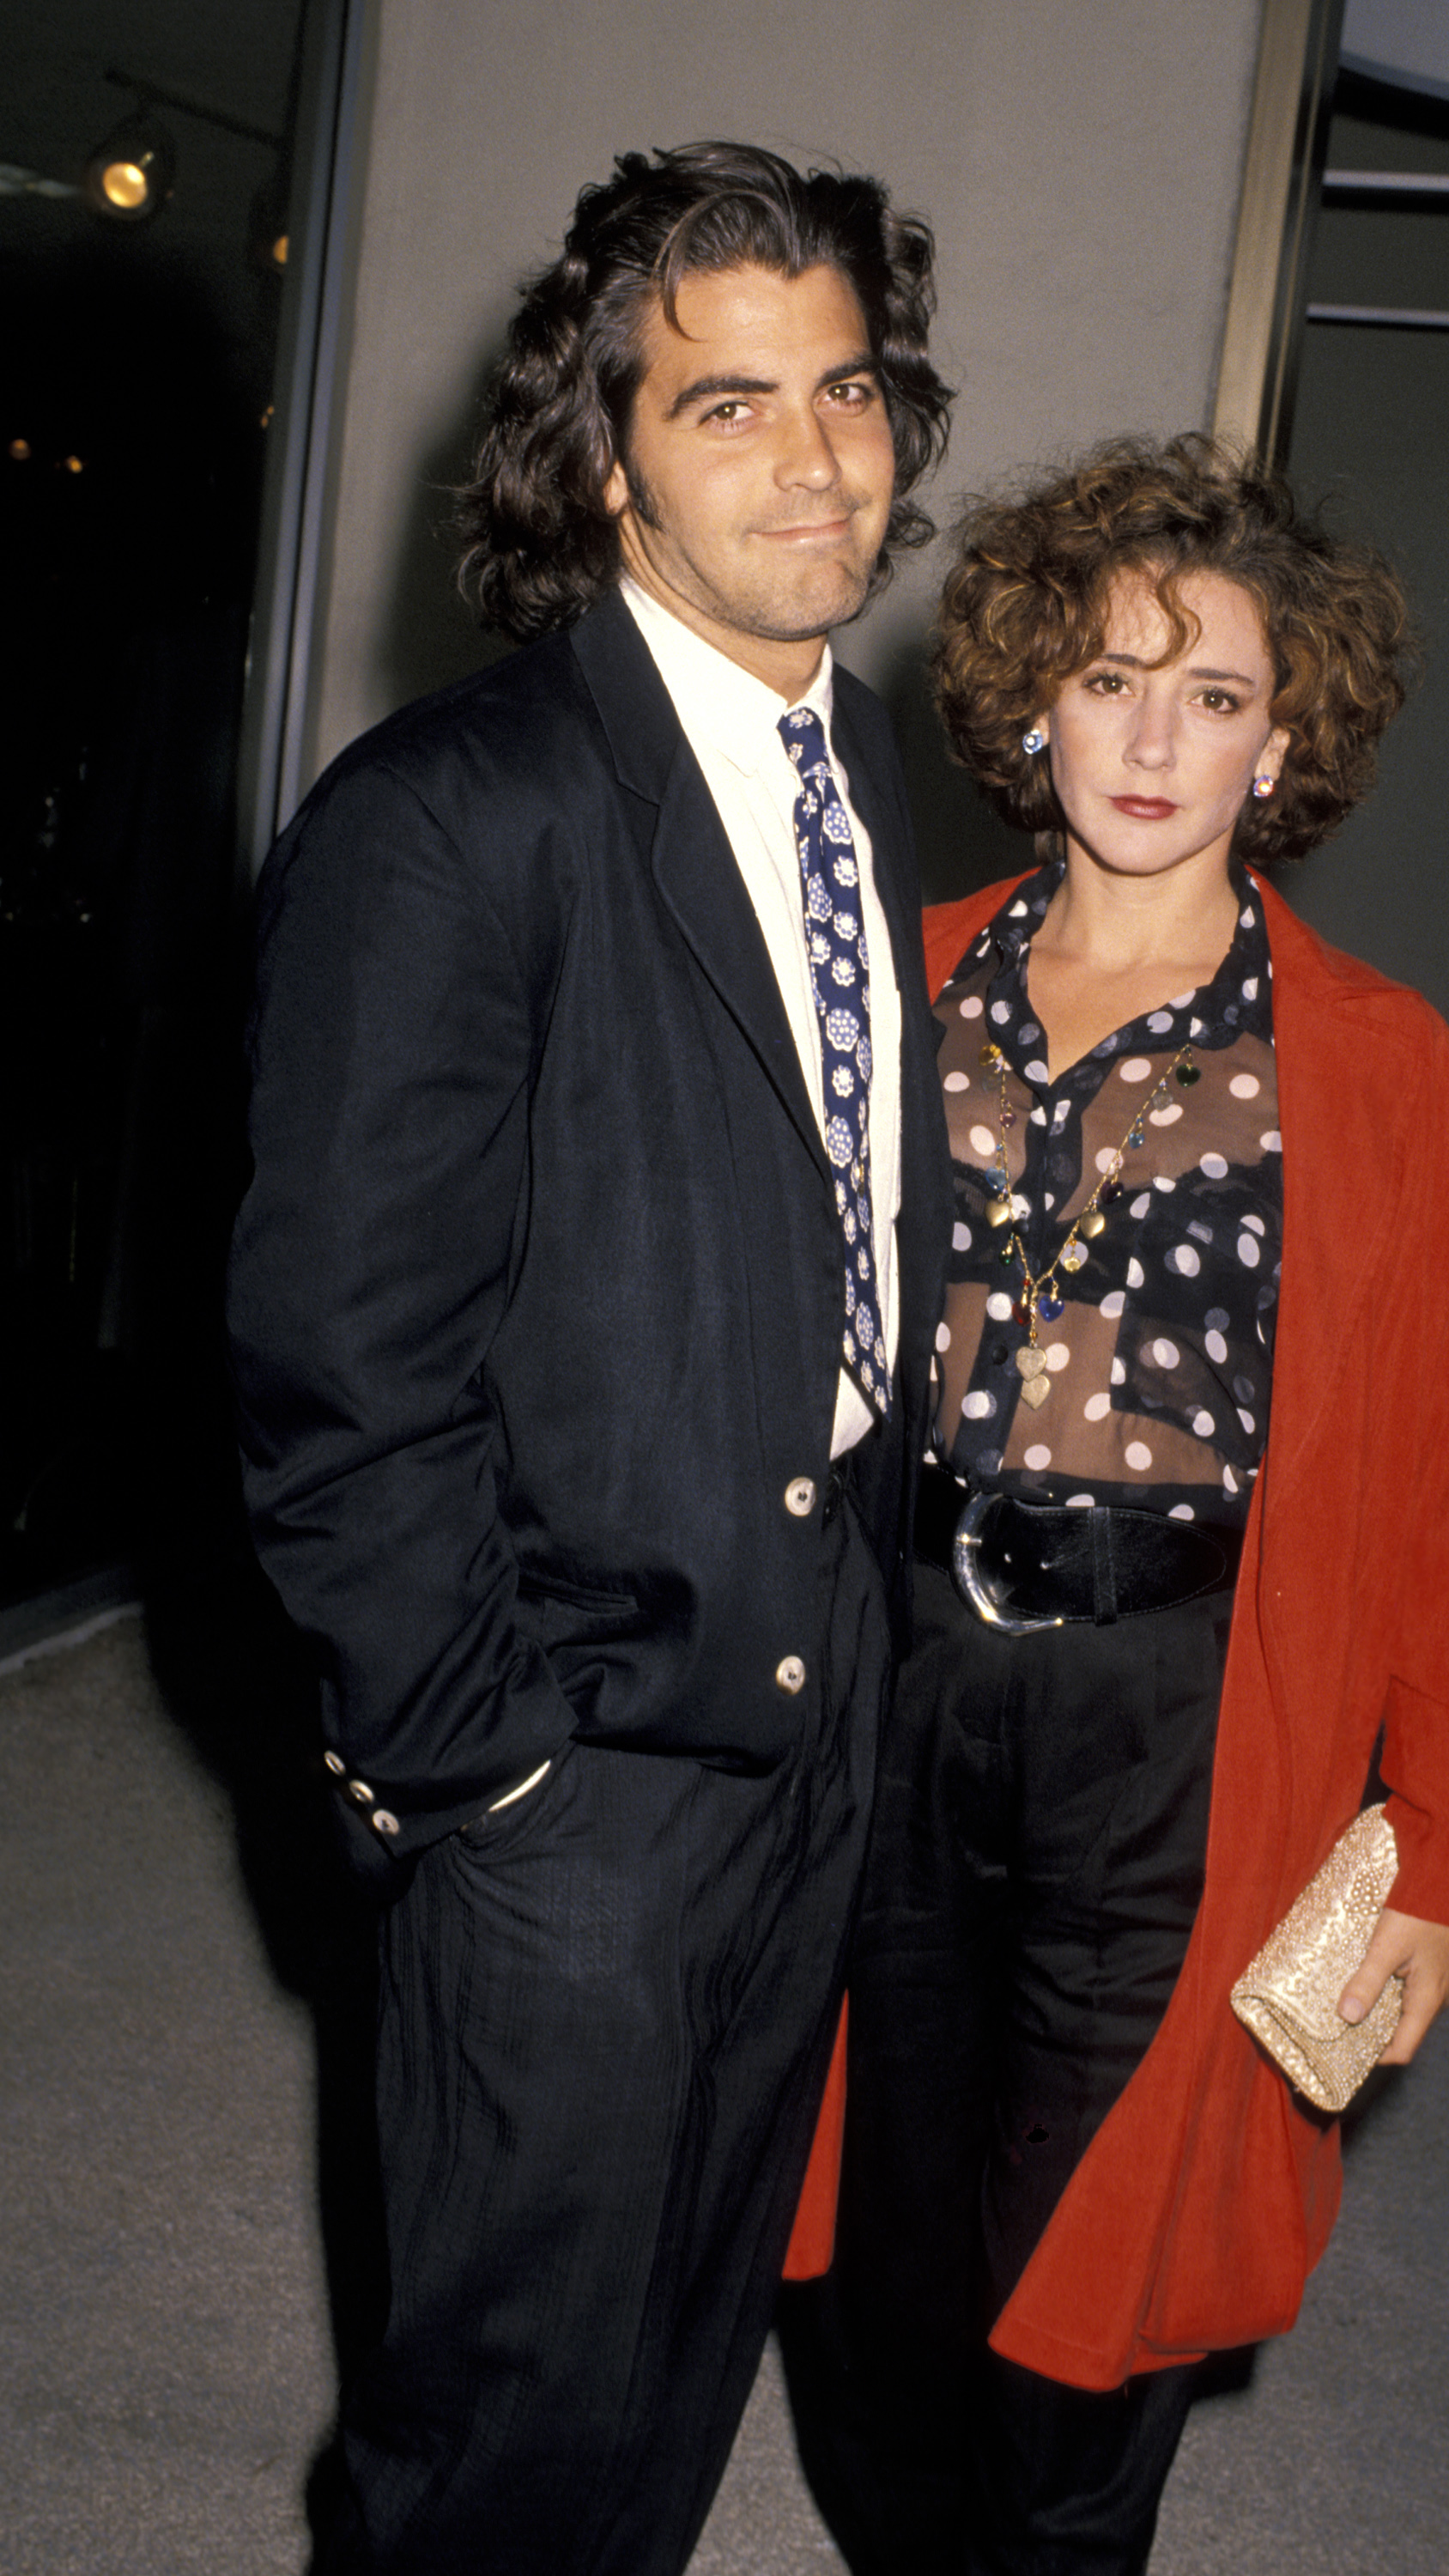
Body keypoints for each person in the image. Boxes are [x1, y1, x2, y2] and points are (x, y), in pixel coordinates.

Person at [227, 142, 955, 2576]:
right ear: (604, 447)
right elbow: (341, 1357)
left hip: (813, 1675)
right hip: (572, 1758)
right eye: (725, 404)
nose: (814, 458)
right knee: (510, 2435)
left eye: (841, 388)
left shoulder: (866, 769)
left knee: (667, 2374)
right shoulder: (452, 817)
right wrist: (478, 1769)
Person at [779, 436, 1449, 2574]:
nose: (1151, 737)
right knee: (869, 2263)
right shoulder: (881, 986)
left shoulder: (1377, 1065)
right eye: (1110, 677)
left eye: (1211, 695)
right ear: (1031, 697)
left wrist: (1441, 1841)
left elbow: (1433, 1496)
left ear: (1282, 737)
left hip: (1185, 1721)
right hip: (890, 1685)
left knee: (1094, 2291)